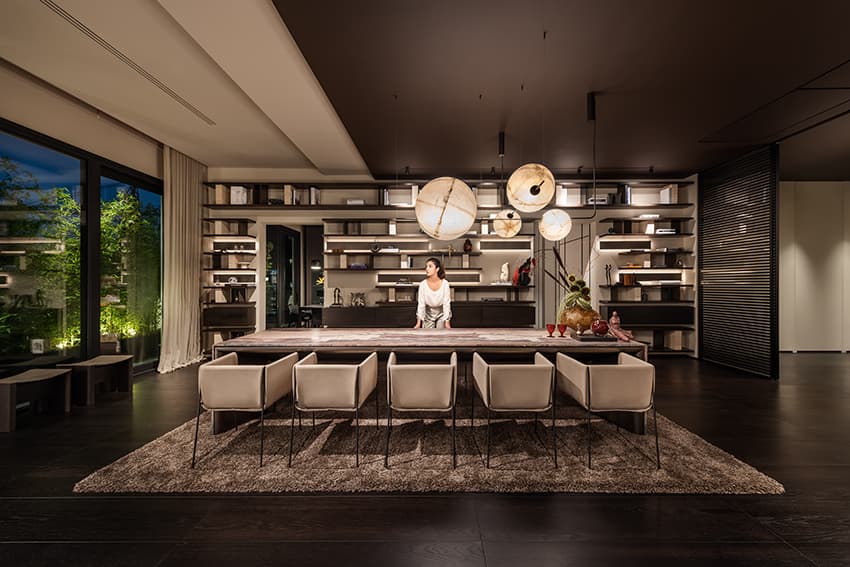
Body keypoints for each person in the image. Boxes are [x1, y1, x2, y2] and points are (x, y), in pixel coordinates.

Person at [413, 257, 452, 329]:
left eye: (430, 266)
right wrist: (418, 323)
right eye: (426, 267)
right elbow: (421, 304)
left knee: (441, 334)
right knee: (428, 335)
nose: (427, 269)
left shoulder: (445, 283)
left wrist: (447, 322)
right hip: (428, 315)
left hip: (442, 314)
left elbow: (446, 304)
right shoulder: (423, 284)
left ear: (437, 269)